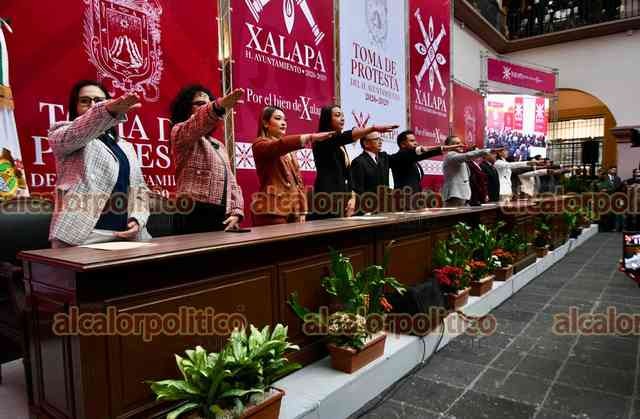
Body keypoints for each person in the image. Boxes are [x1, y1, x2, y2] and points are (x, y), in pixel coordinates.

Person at [48, 80, 150, 247]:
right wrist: (105, 110)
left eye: (98, 100)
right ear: (74, 107)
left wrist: (138, 220)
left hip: (128, 236)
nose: (92, 105)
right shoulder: (62, 134)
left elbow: (140, 189)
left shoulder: (125, 146)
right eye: (84, 101)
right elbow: (81, 130)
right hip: (83, 236)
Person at [170, 85, 245, 233]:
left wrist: (236, 211)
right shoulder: (179, 131)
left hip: (220, 215)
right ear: (185, 107)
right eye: (199, 103)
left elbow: (232, 182)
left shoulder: (219, 145)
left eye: (208, 104)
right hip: (191, 213)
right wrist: (216, 107)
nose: (205, 107)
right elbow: (196, 123)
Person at [251, 106, 334, 226]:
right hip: (272, 211)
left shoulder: (290, 151)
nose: (283, 123)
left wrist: (303, 210)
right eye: (278, 118)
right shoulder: (259, 144)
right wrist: (310, 137)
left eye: (285, 120)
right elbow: (279, 145)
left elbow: (298, 183)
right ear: (265, 123)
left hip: (293, 211)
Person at [312, 105, 397, 219]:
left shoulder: (339, 144)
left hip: (342, 197)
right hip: (326, 196)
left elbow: (347, 175)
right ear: (327, 119)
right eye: (337, 115)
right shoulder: (321, 139)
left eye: (343, 115)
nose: (342, 118)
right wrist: (372, 128)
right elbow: (346, 137)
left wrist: (352, 197)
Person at [390, 130, 455, 195]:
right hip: (403, 197)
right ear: (403, 144)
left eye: (415, 140)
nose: (416, 143)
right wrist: (442, 149)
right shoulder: (399, 157)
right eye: (412, 141)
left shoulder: (413, 159)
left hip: (415, 197)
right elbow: (424, 153)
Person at [441, 136, 492, 207]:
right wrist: (487, 151)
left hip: (462, 196)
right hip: (455, 196)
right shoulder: (450, 155)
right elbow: (467, 156)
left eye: (460, 143)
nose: (460, 145)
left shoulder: (458, 157)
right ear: (448, 146)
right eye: (456, 143)